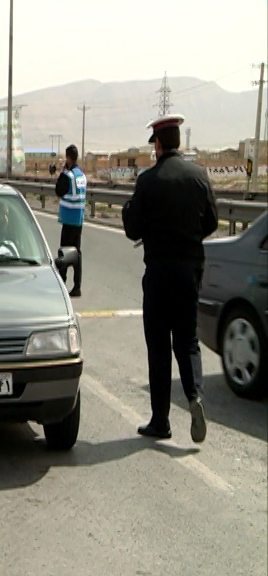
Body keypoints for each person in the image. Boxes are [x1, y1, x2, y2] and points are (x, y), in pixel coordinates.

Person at [122, 113, 218, 443]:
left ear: (159, 144)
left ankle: (160, 421)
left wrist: (130, 212)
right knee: (188, 341)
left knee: (160, 345)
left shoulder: (148, 181)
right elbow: (213, 222)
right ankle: (196, 397)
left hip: (160, 272)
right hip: (190, 270)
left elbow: (132, 228)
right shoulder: (199, 176)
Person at [55, 144, 87, 297]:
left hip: (68, 219)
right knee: (77, 254)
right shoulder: (81, 175)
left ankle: (61, 283)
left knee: (65, 253)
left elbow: (58, 190)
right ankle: (77, 286)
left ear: (68, 158)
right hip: (78, 219)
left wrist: (62, 171)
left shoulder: (68, 176)